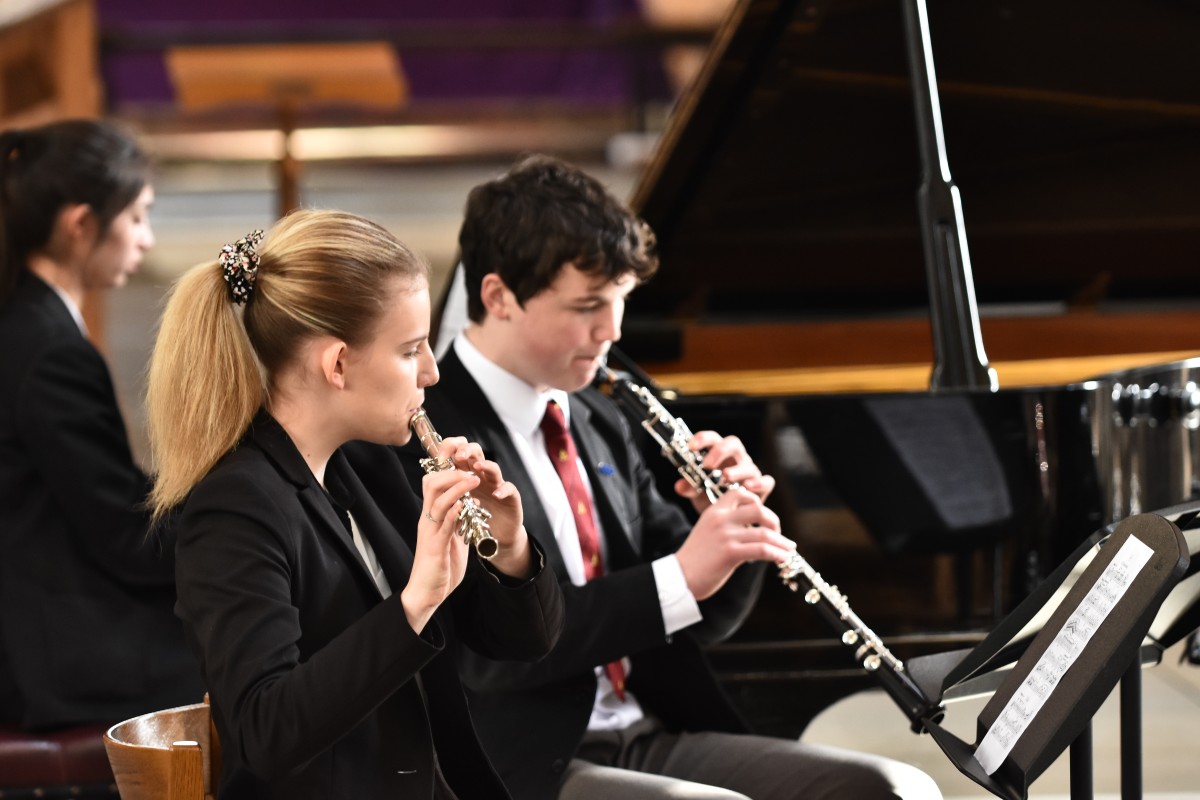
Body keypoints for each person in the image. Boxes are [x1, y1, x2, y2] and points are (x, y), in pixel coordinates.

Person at [377, 155, 943, 799]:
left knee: (893, 789)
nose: (611, 331)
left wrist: (730, 536)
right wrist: (679, 576)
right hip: (521, 760)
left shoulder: (599, 411)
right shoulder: (426, 431)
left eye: (619, 302)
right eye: (587, 305)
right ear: (499, 296)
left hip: (648, 732)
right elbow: (486, 654)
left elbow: (695, 616)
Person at [145, 209, 564, 799]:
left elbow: (523, 645)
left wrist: (510, 549)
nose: (432, 371)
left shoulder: (368, 465)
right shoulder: (235, 509)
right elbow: (267, 732)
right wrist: (416, 601)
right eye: (410, 349)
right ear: (337, 363)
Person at [0, 119, 204, 729]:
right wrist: (232, 522)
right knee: (265, 667)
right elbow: (125, 537)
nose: (145, 239)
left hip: (33, 618)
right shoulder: (49, 349)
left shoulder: (25, 323)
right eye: (137, 217)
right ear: (80, 224)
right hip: (48, 653)